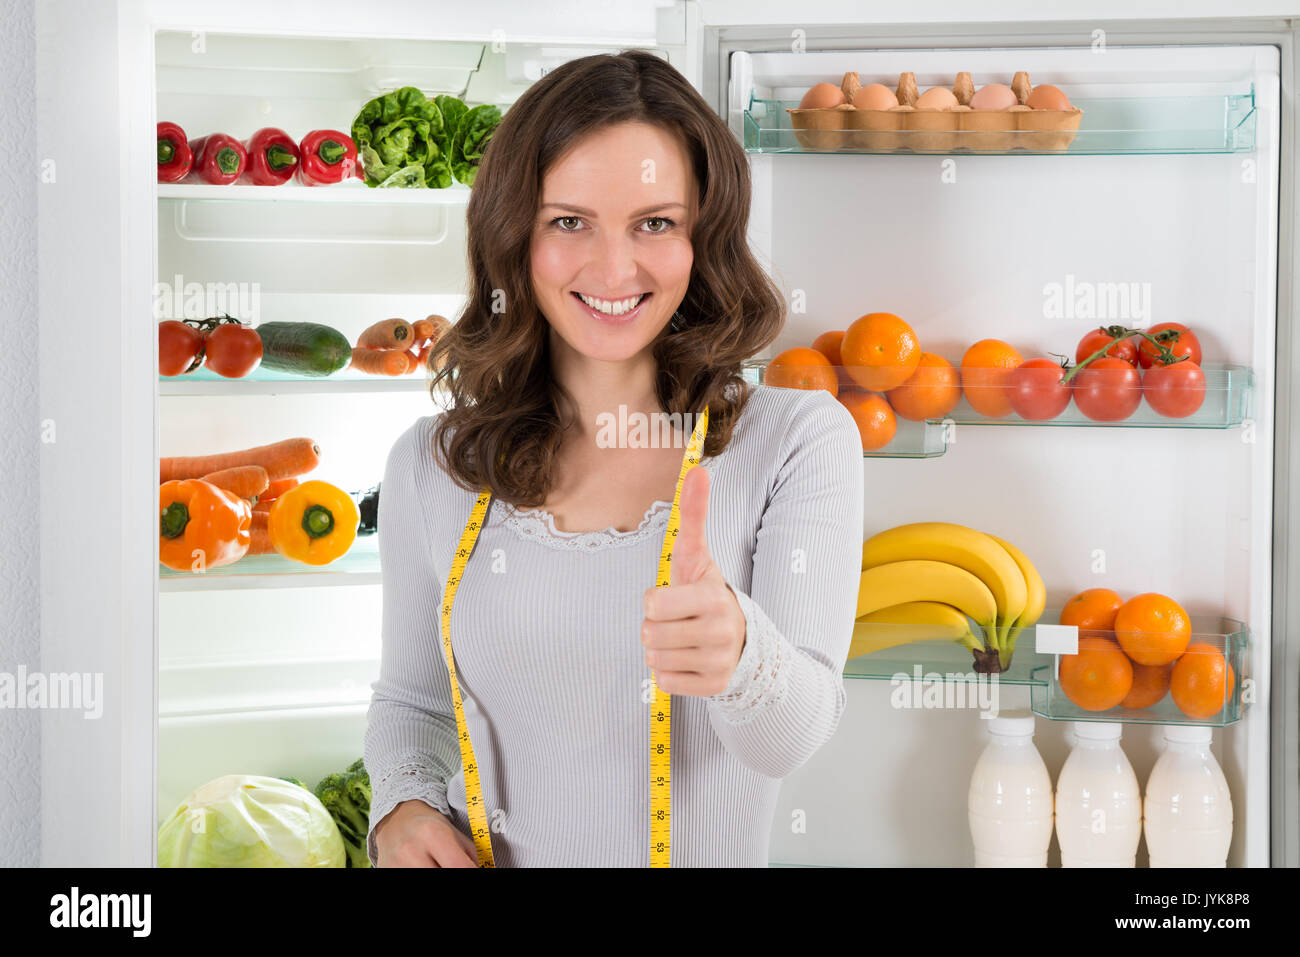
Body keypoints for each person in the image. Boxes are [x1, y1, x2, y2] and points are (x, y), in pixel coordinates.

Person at [364, 49, 863, 867]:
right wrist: (405, 809)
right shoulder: (433, 462)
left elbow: (794, 737)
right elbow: (412, 701)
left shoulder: (795, 442)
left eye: (655, 222)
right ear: (513, 234)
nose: (613, 268)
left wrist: (741, 653)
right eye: (569, 221)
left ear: (704, 234)